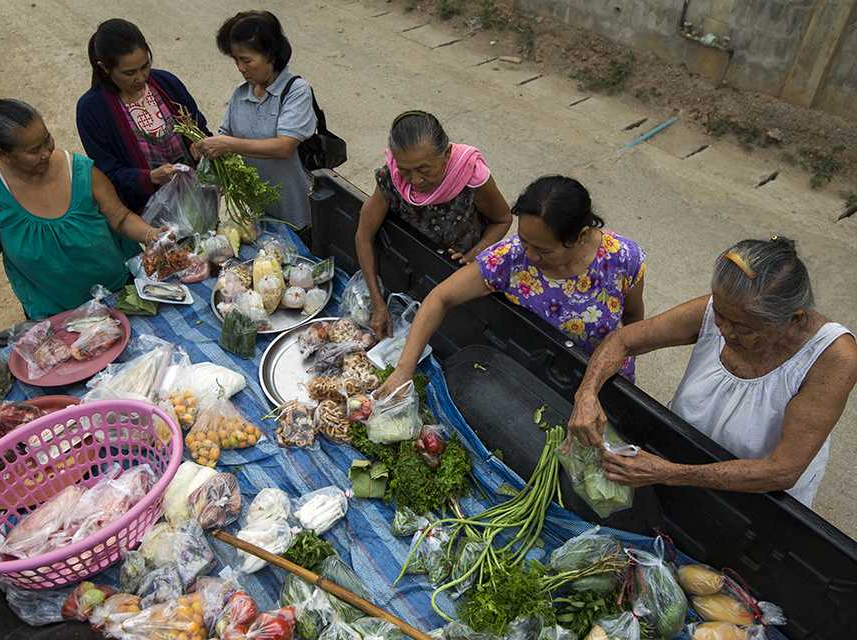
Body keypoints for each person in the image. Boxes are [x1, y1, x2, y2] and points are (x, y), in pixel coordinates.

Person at [566, 237, 857, 507]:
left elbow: (781, 470)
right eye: (719, 314)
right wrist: (587, 393)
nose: (724, 330)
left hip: (756, 498)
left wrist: (670, 473)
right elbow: (623, 340)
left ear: (794, 319)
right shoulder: (729, 308)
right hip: (677, 460)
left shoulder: (832, 357)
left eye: (744, 328)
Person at [379, 175, 646, 396]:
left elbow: (634, 321)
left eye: (544, 250)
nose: (529, 255)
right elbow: (439, 298)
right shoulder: (510, 258)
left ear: (581, 236)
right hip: (534, 378)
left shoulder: (623, 259)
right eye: (524, 240)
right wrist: (404, 369)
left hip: (603, 380)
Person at [0, 99, 160, 320]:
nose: (47, 153)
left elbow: (120, 217)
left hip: (118, 293)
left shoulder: (79, 170)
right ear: (3, 155)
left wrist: (154, 236)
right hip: (55, 316)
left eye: (47, 140)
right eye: (34, 150)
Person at [355, 110, 512, 339]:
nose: (416, 180)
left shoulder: (471, 175)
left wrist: (473, 256)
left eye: (424, 169)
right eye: (406, 170)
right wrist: (378, 303)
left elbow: (502, 219)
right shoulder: (391, 177)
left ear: (447, 153)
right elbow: (364, 236)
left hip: (455, 281)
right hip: (411, 273)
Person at [191, 11, 317, 229]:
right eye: (236, 60)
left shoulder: (296, 91)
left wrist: (227, 144)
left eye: (246, 60)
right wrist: (207, 149)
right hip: (258, 213)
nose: (240, 68)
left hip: (297, 211)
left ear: (271, 55)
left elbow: (284, 147)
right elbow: (224, 136)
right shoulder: (240, 94)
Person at [77, 18, 210, 218]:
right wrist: (150, 178)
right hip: (152, 214)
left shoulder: (167, 84)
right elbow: (108, 172)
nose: (141, 77)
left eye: (145, 66)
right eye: (129, 73)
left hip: (199, 198)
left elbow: (199, 126)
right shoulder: (92, 110)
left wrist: (201, 144)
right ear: (104, 68)